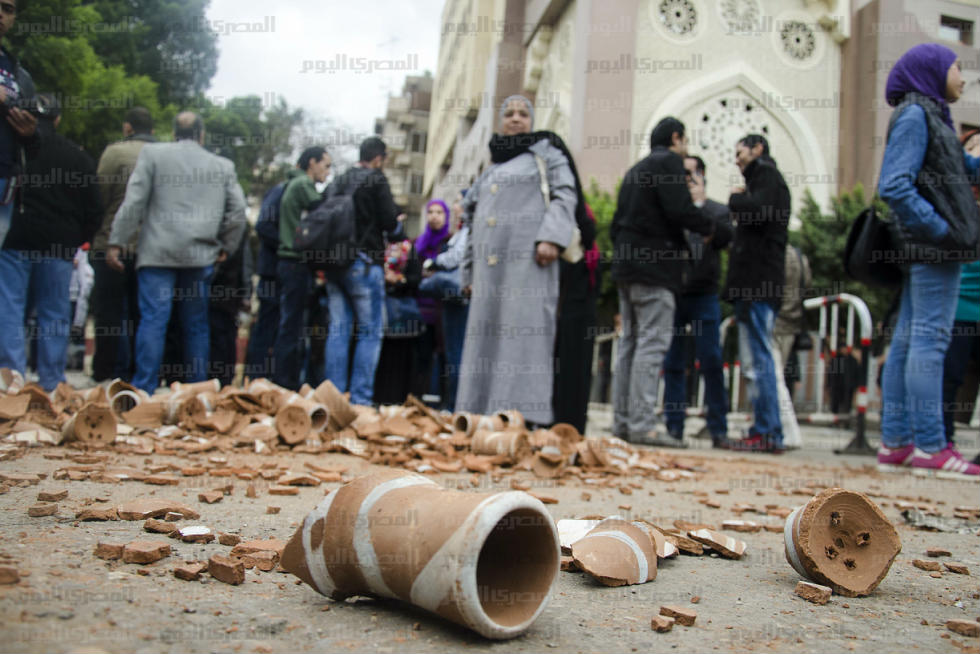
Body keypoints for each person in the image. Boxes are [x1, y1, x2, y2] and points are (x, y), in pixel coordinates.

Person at [876, 43, 980, 478]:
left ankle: (897, 443)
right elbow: (894, 185)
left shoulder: (929, 117)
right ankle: (931, 447)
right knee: (929, 344)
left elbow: (954, 173)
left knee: (907, 343)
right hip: (935, 249)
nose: (963, 76)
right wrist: (942, 231)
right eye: (957, 67)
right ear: (932, 71)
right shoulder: (918, 115)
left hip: (928, 249)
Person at [457, 95, 576, 427]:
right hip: (487, 273)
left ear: (532, 120)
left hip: (528, 262)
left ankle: (524, 416)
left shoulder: (546, 155)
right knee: (485, 336)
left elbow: (566, 193)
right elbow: (470, 219)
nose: (515, 118)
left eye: (523, 113)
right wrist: (467, 273)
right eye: (508, 113)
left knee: (523, 333)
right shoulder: (490, 168)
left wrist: (551, 236)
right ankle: (477, 415)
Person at [107, 111, 247, 394]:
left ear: (173, 133)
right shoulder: (222, 166)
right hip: (200, 254)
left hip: (157, 252)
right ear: (202, 134)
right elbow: (238, 211)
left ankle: (144, 389)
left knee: (154, 321)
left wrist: (116, 241)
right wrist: (226, 246)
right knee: (196, 324)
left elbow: (133, 202)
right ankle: (196, 391)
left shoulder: (153, 155)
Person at [610, 117, 718, 446]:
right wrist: (708, 225)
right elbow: (679, 210)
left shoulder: (635, 170)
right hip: (656, 269)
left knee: (629, 344)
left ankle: (623, 423)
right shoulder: (669, 162)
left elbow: (617, 225)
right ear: (676, 137)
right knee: (651, 344)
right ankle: (643, 425)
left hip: (627, 269)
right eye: (684, 140)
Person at [0, 93, 102, 390]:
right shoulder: (78, 156)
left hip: (15, 241)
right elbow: (94, 208)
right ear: (57, 119)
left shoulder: (12, 150)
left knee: (10, 309)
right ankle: (52, 383)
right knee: (54, 314)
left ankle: (11, 382)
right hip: (58, 246)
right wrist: (77, 240)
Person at [723, 134, 790, 453]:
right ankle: (764, 429)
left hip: (756, 287)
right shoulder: (764, 179)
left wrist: (735, 200)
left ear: (758, 149)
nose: (737, 159)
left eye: (740, 152)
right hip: (756, 287)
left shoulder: (765, 174)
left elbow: (758, 211)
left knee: (758, 362)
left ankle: (766, 431)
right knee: (755, 361)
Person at [324, 137, 403, 406]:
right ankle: (359, 400)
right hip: (364, 262)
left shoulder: (340, 180)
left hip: (334, 264)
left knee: (338, 329)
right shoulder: (376, 179)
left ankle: (331, 400)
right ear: (379, 158)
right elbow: (390, 223)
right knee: (370, 332)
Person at [662, 155, 733, 448]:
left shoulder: (717, 211)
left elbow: (727, 237)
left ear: (702, 176)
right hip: (676, 294)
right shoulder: (673, 210)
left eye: (692, 174)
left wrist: (701, 208)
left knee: (711, 360)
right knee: (674, 362)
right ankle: (674, 428)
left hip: (704, 295)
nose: (687, 179)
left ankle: (719, 429)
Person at [92, 107, 156, 382]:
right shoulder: (162, 155)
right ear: (152, 130)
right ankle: (136, 373)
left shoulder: (114, 152)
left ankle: (106, 372)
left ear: (127, 127)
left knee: (109, 313)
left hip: (110, 242)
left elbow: (99, 196)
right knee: (143, 315)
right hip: (150, 248)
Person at [272, 146, 330, 390]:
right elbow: (324, 207)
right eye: (326, 166)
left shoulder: (294, 185)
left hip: (292, 263)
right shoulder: (303, 185)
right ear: (312, 163)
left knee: (292, 325)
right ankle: (285, 384)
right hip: (294, 262)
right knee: (291, 327)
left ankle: (287, 382)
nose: (328, 172)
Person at [0, 0, 39, 247]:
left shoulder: (19, 73)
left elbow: (37, 144)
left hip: (5, 181)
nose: (0, 14)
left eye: (7, 9)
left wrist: (30, 133)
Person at [374, 238, 423, 404]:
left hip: (402, 315)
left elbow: (416, 279)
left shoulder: (408, 248)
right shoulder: (375, 243)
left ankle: (398, 400)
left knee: (400, 361)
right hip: (379, 311)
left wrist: (398, 280)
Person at [772, 243, 812, 449]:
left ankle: (788, 431)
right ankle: (783, 429)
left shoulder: (776, 253)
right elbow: (807, 285)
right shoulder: (799, 256)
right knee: (777, 376)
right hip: (792, 322)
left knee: (773, 377)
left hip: (776, 321)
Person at [414, 199, 451, 401]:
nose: (434, 216)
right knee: (421, 356)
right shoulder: (419, 243)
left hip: (442, 310)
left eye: (439, 212)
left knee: (445, 354)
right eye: (430, 211)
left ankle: (443, 400)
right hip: (420, 311)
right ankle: (417, 399)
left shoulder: (451, 243)